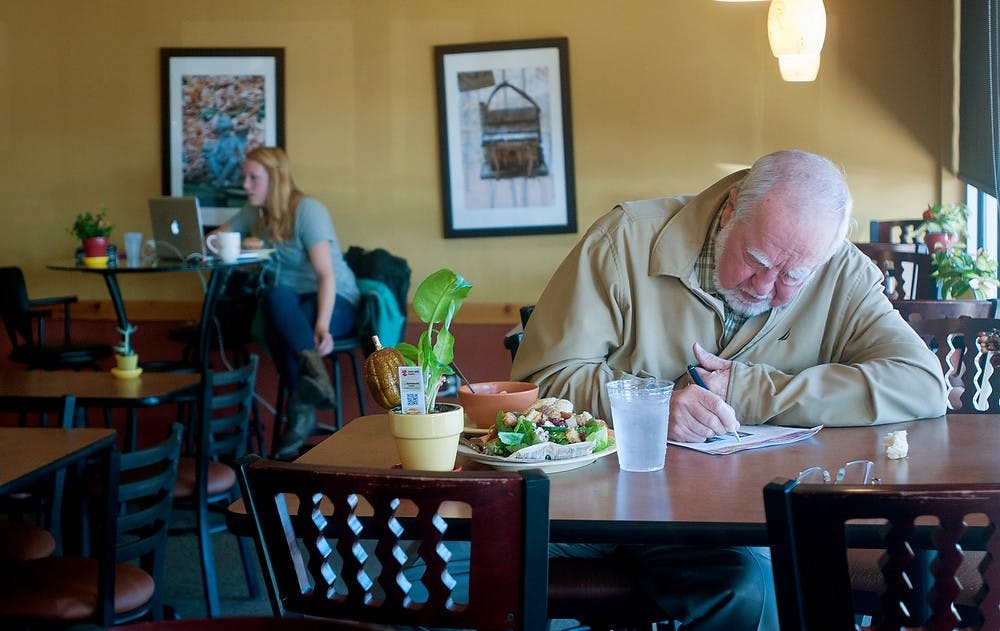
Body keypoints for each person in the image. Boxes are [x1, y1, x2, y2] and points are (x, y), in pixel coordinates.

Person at [511, 149, 948, 629]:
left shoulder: (840, 270)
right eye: (756, 259)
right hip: (593, 502)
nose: (764, 286)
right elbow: (541, 381)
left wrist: (752, 390)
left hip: (729, 522)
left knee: (749, 591)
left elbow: (923, 382)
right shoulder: (623, 241)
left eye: (792, 277)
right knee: (439, 567)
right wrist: (654, 407)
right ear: (730, 208)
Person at [215, 146, 360, 460]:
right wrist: (235, 241)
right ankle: (311, 385)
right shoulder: (256, 212)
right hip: (291, 305)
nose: (245, 185)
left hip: (337, 301)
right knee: (276, 297)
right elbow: (215, 239)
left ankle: (300, 409)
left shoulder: (307, 210)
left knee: (282, 324)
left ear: (275, 178)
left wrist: (322, 325)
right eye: (245, 177)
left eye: (253, 178)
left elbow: (326, 276)